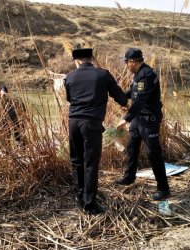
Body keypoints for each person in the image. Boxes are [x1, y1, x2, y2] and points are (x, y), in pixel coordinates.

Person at [65, 48, 128, 214]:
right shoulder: (103, 74)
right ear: (91, 58)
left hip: (73, 123)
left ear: (76, 61)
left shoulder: (69, 77)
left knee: (77, 160)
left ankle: (80, 197)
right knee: (90, 163)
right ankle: (90, 204)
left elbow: (70, 99)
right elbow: (121, 98)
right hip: (91, 123)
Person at [115, 48, 170, 201]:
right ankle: (129, 177)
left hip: (149, 119)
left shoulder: (147, 75)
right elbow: (133, 93)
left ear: (132, 62)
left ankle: (163, 189)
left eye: (126, 63)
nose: (126, 66)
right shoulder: (138, 74)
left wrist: (125, 119)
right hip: (139, 118)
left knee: (153, 153)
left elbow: (140, 101)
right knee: (132, 148)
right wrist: (115, 94)